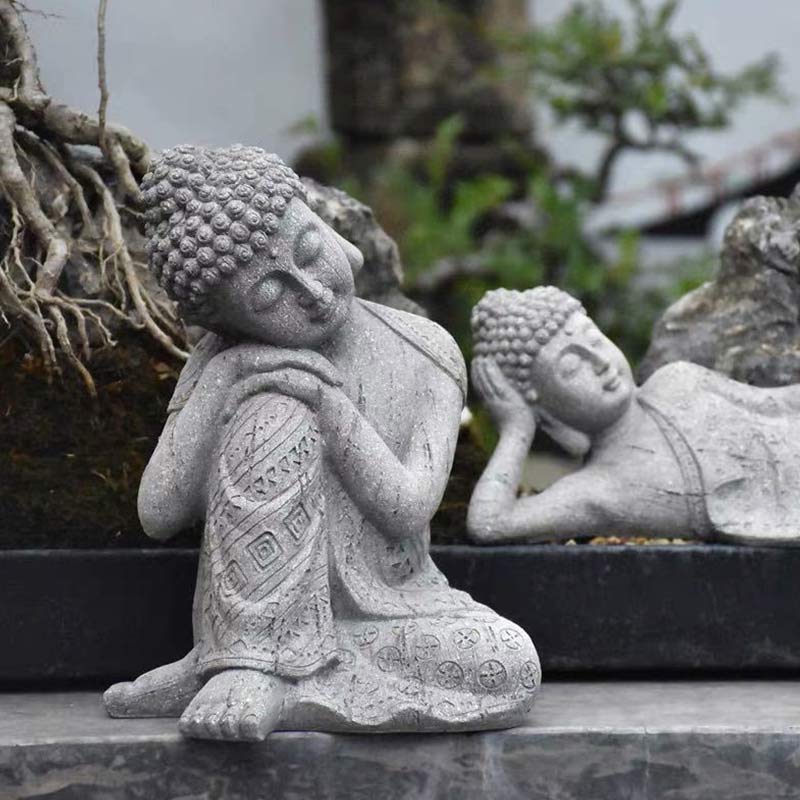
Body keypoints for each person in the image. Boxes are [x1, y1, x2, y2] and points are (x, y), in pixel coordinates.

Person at [104, 145, 539, 741]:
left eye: (308, 250)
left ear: (326, 225)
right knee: (274, 405)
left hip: (387, 613)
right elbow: (158, 513)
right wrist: (228, 375)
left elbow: (407, 508)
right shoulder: (224, 362)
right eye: (267, 296)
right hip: (249, 623)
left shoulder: (427, 349)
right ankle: (248, 661)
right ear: (226, 319)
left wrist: (329, 405)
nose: (310, 291)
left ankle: (278, 681)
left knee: (510, 662)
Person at [468, 286, 800, 546]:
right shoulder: (601, 488)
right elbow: (490, 524)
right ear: (543, 407)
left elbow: (774, 403)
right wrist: (516, 428)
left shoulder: (677, 380)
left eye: (595, 340)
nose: (600, 363)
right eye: (571, 367)